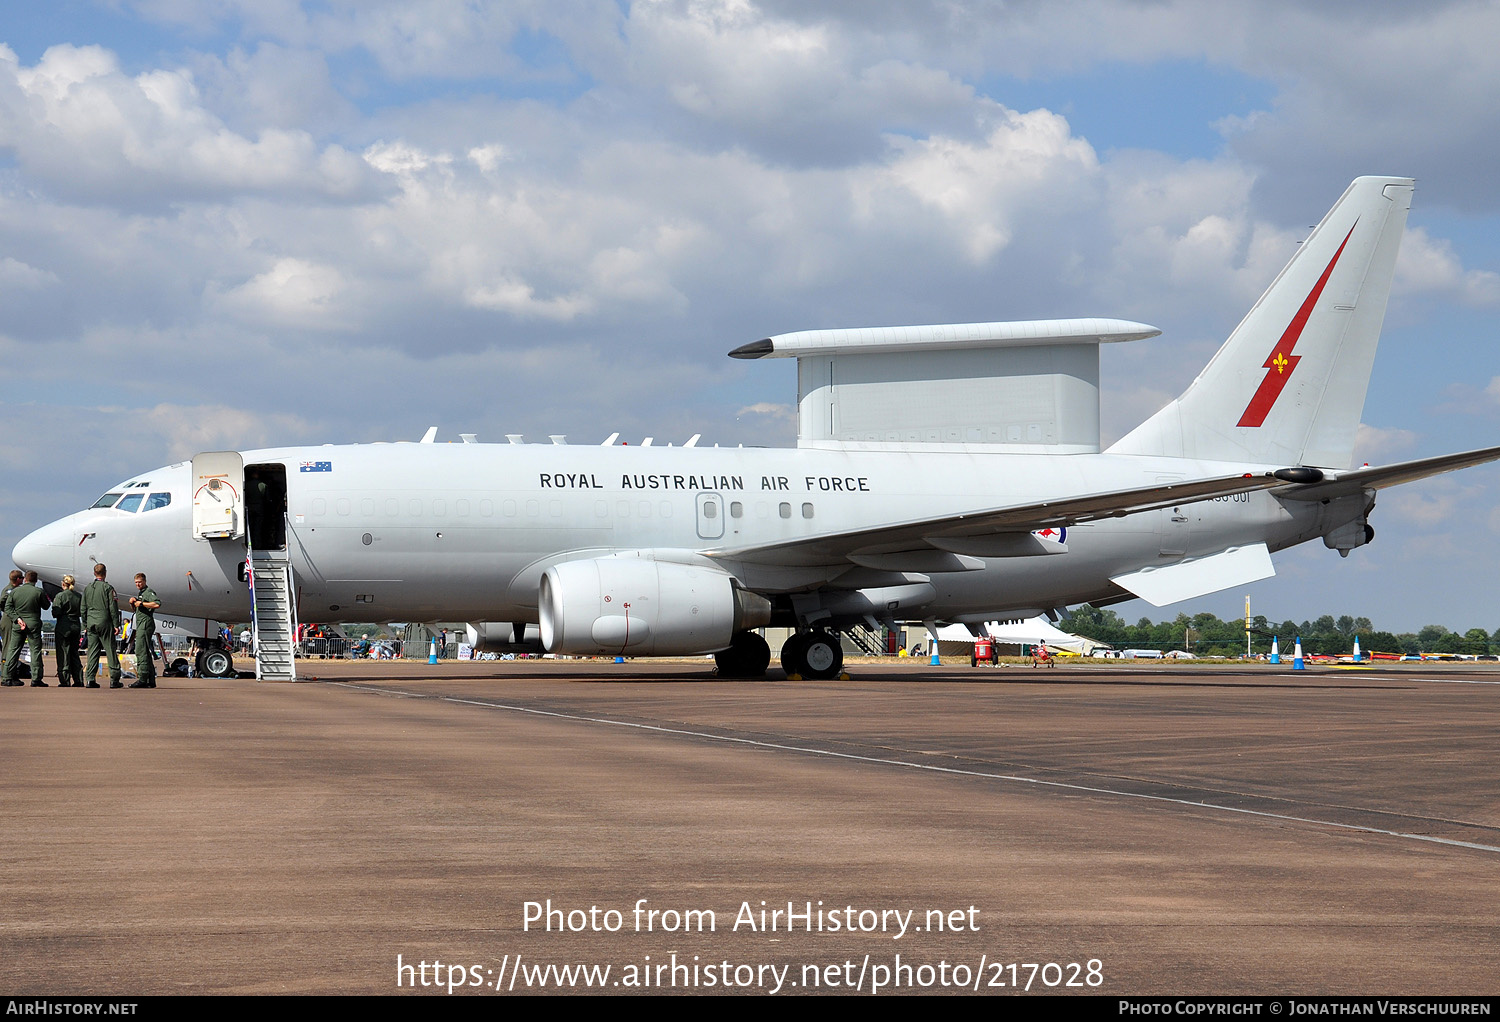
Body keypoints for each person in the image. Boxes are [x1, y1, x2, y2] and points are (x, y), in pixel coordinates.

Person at [4, 570, 51, 686]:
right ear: (36, 580)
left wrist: (17, 619)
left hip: (18, 624)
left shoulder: (15, 592)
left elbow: (8, 608)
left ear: (25, 579)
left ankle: (7, 677)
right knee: (35, 651)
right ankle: (36, 678)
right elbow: (46, 606)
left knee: (13, 650)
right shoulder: (38, 592)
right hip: (33, 624)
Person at [82, 563, 123, 688]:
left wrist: (85, 624)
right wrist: (116, 624)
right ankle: (114, 679)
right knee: (110, 650)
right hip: (104, 622)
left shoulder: (87, 588)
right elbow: (113, 607)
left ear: (94, 573)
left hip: (91, 622)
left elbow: (83, 608)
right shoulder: (108, 588)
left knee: (93, 652)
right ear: (105, 573)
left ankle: (90, 679)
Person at [127, 573, 161, 689]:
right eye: (136, 582)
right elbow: (138, 609)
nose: (138, 584)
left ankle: (142, 678)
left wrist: (141, 603)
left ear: (144, 581)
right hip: (141, 623)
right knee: (145, 651)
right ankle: (150, 679)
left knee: (140, 650)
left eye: (139, 582)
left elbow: (157, 603)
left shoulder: (148, 592)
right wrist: (134, 603)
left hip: (146, 623)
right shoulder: (141, 593)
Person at [51, 575, 84, 688]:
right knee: (74, 653)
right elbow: (82, 611)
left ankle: (65, 680)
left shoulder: (60, 596)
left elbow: (55, 612)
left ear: (63, 584)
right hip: (76, 624)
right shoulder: (79, 596)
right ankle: (78, 679)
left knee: (63, 653)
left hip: (64, 625)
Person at [0, 570, 19, 685]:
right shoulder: (9, 590)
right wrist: (7, 610)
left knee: (12, 647)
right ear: (17, 579)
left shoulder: (13, 589)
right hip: (8, 620)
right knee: (7, 647)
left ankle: (11, 674)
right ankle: (5, 674)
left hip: (10, 619)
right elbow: (2, 601)